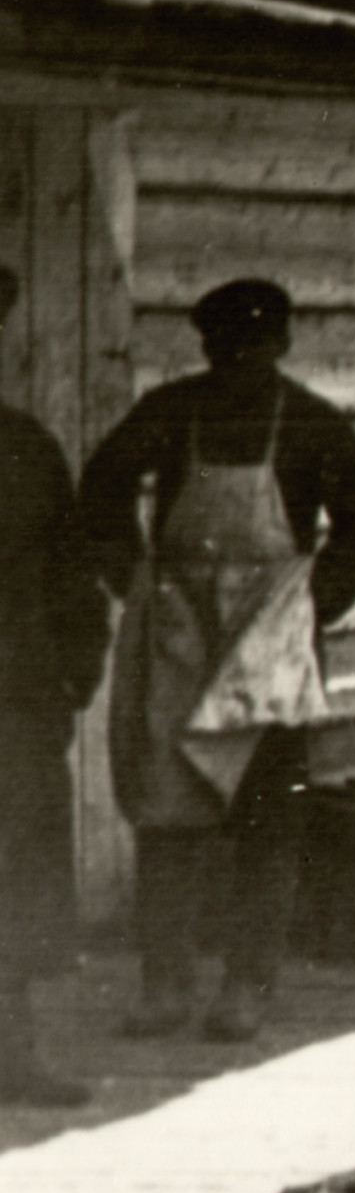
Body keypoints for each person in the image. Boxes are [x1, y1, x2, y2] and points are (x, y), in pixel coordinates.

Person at [78, 279, 355, 1042]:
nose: (241, 362)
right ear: (207, 348)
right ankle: (164, 988)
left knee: (267, 821)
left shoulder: (313, 427)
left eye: (255, 347)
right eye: (229, 348)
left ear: (280, 346)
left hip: (270, 653)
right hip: (182, 638)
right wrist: (133, 577)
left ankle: (246, 990)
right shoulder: (169, 414)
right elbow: (101, 491)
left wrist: (310, 604)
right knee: (167, 815)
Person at [0, 271, 109, 1105]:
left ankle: (11, 1049)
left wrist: (78, 668)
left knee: (19, 874)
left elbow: (73, 574)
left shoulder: (28, 450)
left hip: (16, 700)